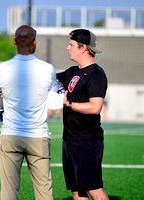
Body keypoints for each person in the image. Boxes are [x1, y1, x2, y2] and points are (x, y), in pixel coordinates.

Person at [0, 25, 59, 200]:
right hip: (38, 135)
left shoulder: (0, 69)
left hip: (10, 134)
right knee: (44, 191)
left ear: (14, 41)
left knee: (8, 192)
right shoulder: (47, 69)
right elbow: (55, 97)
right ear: (34, 42)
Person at [57, 29, 109, 200]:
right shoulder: (71, 72)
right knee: (77, 191)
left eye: (71, 45)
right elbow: (44, 79)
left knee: (94, 189)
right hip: (69, 139)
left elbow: (95, 107)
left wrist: (68, 104)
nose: (67, 48)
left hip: (87, 140)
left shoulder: (96, 74)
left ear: (83, 48)